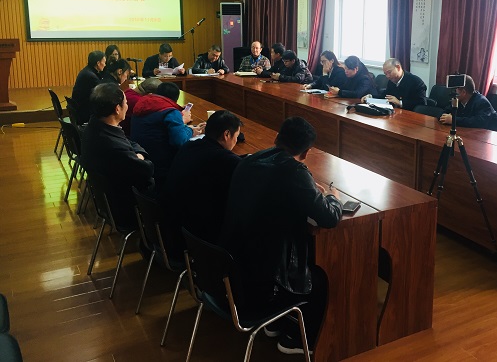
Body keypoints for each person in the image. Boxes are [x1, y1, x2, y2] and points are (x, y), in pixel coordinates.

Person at [220, 117, 342, 354]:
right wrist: (332, 198)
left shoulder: (250, 160)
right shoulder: (294, 171)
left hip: (235, 264)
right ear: (306, 153)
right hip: (264, 277)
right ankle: (294, 339)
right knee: (321, 278)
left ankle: (274, 323)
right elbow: (329, 217)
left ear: (277, 138)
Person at [164, 110, 243, 247]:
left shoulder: (189, 146)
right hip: (197, 238)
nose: (236, 141)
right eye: (236, 136)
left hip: (170, 227)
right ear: (226, 135)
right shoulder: (226, 161)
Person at [80, 83, 155, 228]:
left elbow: (131, 142)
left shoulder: (95, 126)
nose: (127, 106)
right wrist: (140, 157)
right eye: (126, 103)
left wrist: (138, 154)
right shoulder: (112, 144)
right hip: (128, 208)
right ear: (117, 108)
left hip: (110, 200)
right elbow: (147, 170)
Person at [130, 82, 203, 191]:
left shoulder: (141, 103)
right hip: (162, 167)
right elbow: (180, 141)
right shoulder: (170, 112)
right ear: (175, 100)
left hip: (142, 159)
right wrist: (190, 131)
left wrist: (186, 128)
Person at [362, 58, 427, 110]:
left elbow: (421, 103)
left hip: (411, 116)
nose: (387, 76)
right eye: (385, 74)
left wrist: (400, 102)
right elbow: (385, 96)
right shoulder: (392, 80)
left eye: (389, 72)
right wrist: (371, 97)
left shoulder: (416, 82)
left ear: (398, 67)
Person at [71, 50, 106, 124]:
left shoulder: (87, 71)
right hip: (84, 113)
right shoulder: (91, 76)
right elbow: (101, 94)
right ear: (98, 63)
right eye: (104, 62)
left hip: (79, 109)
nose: (105, 65)